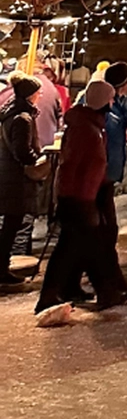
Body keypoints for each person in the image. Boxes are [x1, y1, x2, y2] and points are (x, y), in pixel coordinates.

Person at [35, 80, 126, 325]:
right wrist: (82, 199)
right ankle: (56, 294)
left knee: (80, 247)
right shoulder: (85, 129)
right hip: (78, 198)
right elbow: (73, 166)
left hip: (81, 196)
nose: (112, 104)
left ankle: (95, 291)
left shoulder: (92, 126)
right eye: (109, 99)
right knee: (78, 248)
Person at [0, 73, 44, 288]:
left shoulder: (12, 112)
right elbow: (21, 151)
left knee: (11, 221)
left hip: (8, 174)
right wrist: (38, 158)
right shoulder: (22, 118)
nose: (41, 95)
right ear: (30, 94)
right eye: (38, 92)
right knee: (12, 222)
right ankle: (1, 267)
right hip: (14, 178)